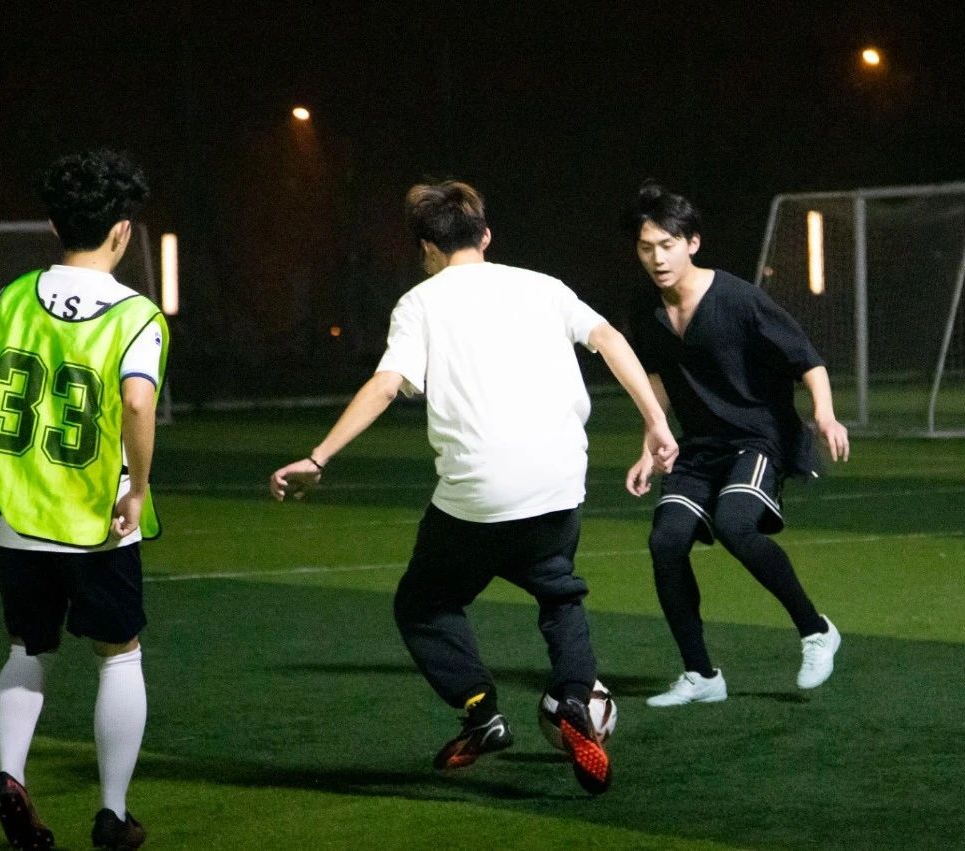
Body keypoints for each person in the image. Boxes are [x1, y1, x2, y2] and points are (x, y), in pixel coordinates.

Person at [270, 180, 676, 795]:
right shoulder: (544, 287)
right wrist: (656, 423)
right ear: (485, 236)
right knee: (559, 594)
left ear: (427, 248)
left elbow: (386, 385)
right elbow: (611, 341)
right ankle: (574, 699)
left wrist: (318, 457)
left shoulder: (419, 303)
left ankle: (480, 709)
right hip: (557, 483)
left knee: (424, 604)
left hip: (478, 495)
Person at [0, 149, 167, 850]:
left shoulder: (8, 299)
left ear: (53, 224)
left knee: (28, 647)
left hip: (15, 519)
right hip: (97, 520)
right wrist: (138, 488)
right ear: (123, 230)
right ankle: (112, 813)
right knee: (119, 654)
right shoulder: (136, 314)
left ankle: (10, 774)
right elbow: (137, 403)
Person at [621, 182, 849, 708]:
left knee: (735, 523)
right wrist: (649, 445)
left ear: (692, 243)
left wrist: (825, 414)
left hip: (757, 439)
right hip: (699, 448)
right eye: (646, 247)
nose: (657, 258)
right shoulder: (645, 307)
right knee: (666, 542)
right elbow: (657, 380)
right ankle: (701, 675)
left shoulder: (738, 298)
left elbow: (807, 359)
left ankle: (816, 630)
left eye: (667, 245)